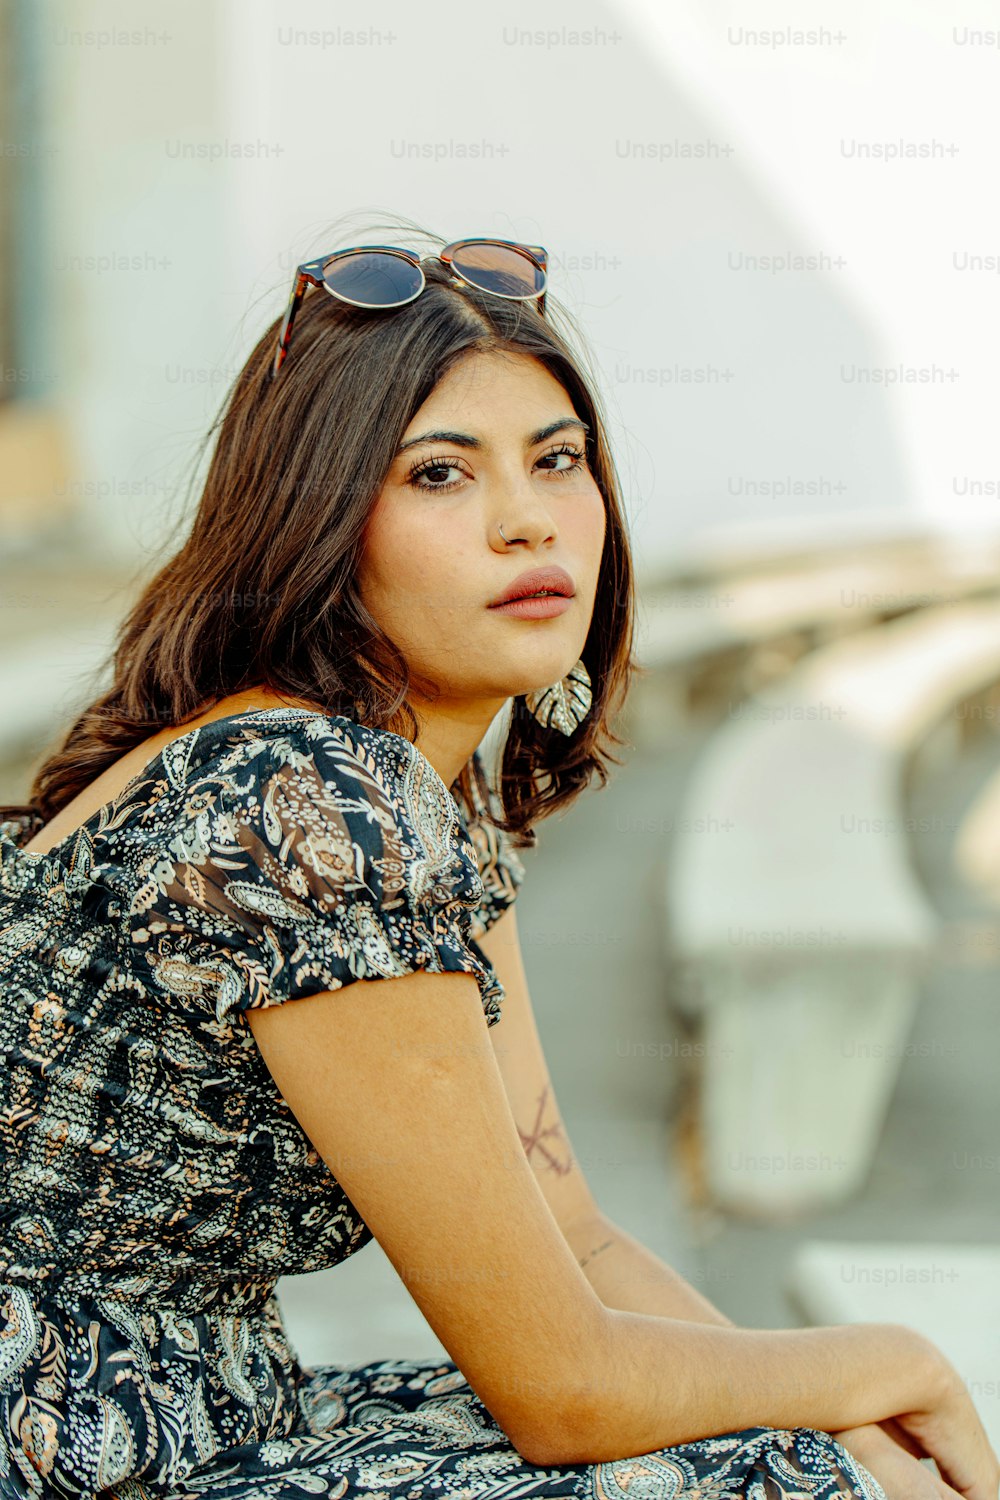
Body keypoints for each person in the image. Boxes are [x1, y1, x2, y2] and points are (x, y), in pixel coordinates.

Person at [0, 214, 995, 1500]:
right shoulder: (304, 803)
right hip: (74, 1454)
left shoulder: (416, 788)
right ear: (314, 518)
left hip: (188, 1415)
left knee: (820, 1460)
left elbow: (572, 1240)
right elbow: (559, 1387)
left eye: (557, 459)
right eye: (438, 475)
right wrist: (886, 1363)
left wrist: (830, 1406)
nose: (527, 523)